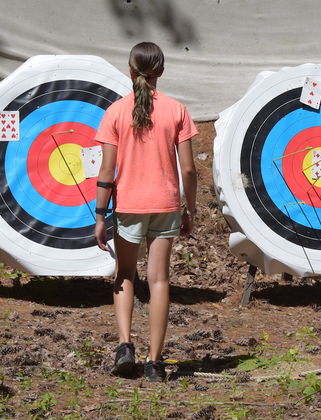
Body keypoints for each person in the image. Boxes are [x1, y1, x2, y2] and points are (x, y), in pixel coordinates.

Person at [94, 41, 198, 382]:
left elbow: (106, 171)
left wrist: (100, 215)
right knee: (159, 280)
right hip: (166, 204)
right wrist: (190, 210)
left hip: (128, 205)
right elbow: (189, 170)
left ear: (129, 70)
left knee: (124, 274)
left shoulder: (115, 112)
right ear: (161, 72)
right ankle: (154, 362)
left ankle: (125, 346)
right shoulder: (177, 110)